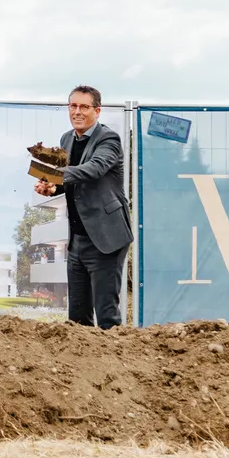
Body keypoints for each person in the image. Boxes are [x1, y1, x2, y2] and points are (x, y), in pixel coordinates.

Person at [33, 85, 132, 329]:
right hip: (77, 239)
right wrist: (52, 188)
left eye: (84, 107)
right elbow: (71, 183)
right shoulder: (67, 139)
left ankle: (115, 365)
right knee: (77, 320)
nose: (77, 111)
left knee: (107, 317)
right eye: (73, 106)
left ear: (97, 111)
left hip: (106, 239)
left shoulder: (109, 139)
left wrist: (54, 173)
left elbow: (94, 169)